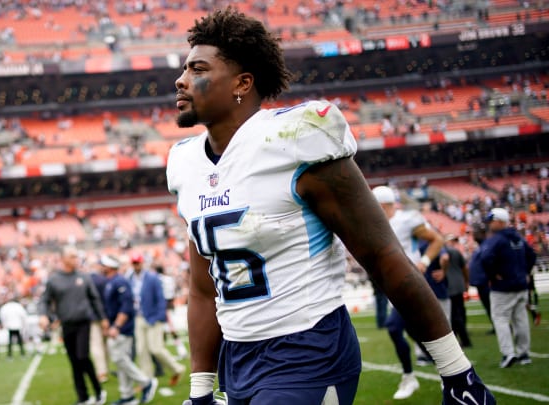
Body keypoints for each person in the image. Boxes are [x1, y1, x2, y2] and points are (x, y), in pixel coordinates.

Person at [166, 7, 494, 404]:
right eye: (185, 69)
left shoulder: (294, 139)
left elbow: (384, 256)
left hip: (310, 347)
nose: (181, 80)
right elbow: (203, 290)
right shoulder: (186, 163)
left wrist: (457, 371)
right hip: (239, 358)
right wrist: (201, 390)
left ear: (242, 82)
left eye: (197, 69)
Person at [373, 185, 447, 399]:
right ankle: (448, 371)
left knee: (394, 327)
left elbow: (437, 239)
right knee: (417, 333)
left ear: (383, 205)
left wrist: (423, 262)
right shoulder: (376, 225)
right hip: (393, 286)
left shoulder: (406, 220)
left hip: (411, 282)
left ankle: (409, 376)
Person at [40, 246, 108, 405]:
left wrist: (103, 318)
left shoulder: (84, 277)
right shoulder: (54, 279)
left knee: (83, 356)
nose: (76, 259)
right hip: (67, 325)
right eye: (72, 256)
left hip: (84, 323)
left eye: (76, 256)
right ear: (63, 258)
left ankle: (98, 391)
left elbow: (94, 299)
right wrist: (44, 315)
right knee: (74, 361)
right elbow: (44, 300)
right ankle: (83, 397)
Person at [478, 207, 536, 368]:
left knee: (500, 318)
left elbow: (485, 258)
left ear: (500, 222)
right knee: (521, 319)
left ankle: (508, 353)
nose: (489, 224)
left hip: (503, 287)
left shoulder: (496, 240)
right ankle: (524, 353)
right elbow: (532, 255)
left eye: (492, 221)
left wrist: (492, 275)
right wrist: (525, 272)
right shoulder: (518, 238)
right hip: (521, 285)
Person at [99, 254, 157, 405]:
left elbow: (126, 306)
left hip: (122, 328)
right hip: (115, 327)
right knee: (120, 361)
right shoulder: (111, 282)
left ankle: (146, 382)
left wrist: (117, 326)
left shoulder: (120, 281)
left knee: (120, 358)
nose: (101, 267)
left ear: (110, 267)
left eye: (104, 265)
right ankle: (128, 396)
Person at [127, 252, 186, 386]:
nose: (136, 265)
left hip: (153, 317)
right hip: (138, 317)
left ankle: (177, 368)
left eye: (138, 262)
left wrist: (159, 317)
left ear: (142, 262)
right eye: (134, 263)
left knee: (156, 349)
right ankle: (147, 381)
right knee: (142, 351)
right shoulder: (130, 278)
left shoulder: (152, 278)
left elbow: (161, 299)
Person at [442, 234, 472, 348]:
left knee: (454, 314)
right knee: (459, 312)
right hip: (458, 284)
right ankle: (463, 335)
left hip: (449, 285)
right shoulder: (456, 252)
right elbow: (465, 268)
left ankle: (464, 339)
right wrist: (466, 281)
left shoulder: (443, 252)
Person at [468, 222, 494, 334]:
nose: (473, 235)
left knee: (492, 307)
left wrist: (490, 279)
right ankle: (495, 326)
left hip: (486, 283)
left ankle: (499, 326)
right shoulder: (481, 247)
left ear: (483, 233)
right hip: (480, 283)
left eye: (476, 233)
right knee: (488, 307)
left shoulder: (488, 246)